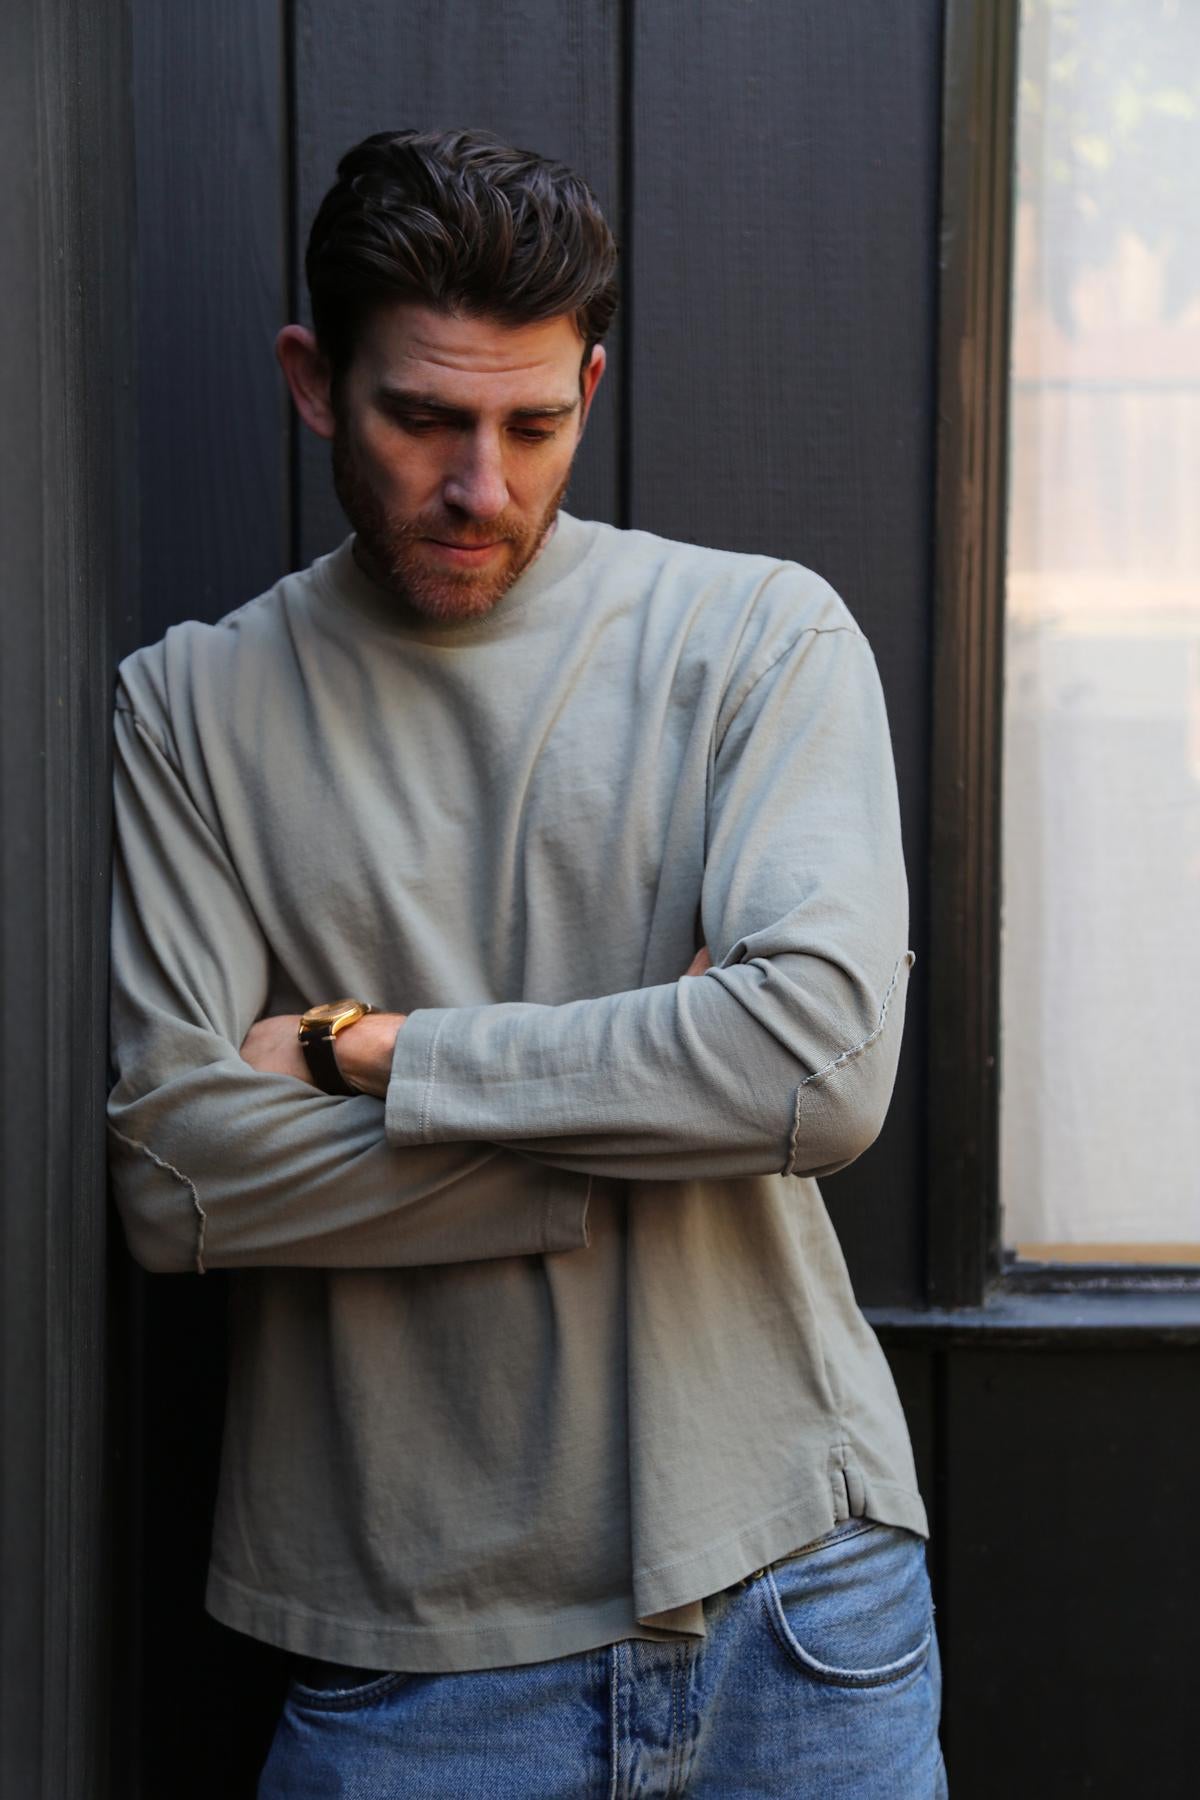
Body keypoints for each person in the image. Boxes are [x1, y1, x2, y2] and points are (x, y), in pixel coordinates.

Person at [107, 126, 947, 1797]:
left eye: (533, 422)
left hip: (797, 1596)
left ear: (590, 385)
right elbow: (176, 1177)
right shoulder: (192, 705)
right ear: (311, 380)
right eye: (421, 416)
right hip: (407, 1660)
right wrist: (651, 1113)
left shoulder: (758, 638)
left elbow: (821, 1071)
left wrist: (372, 1052)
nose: (478, 483)